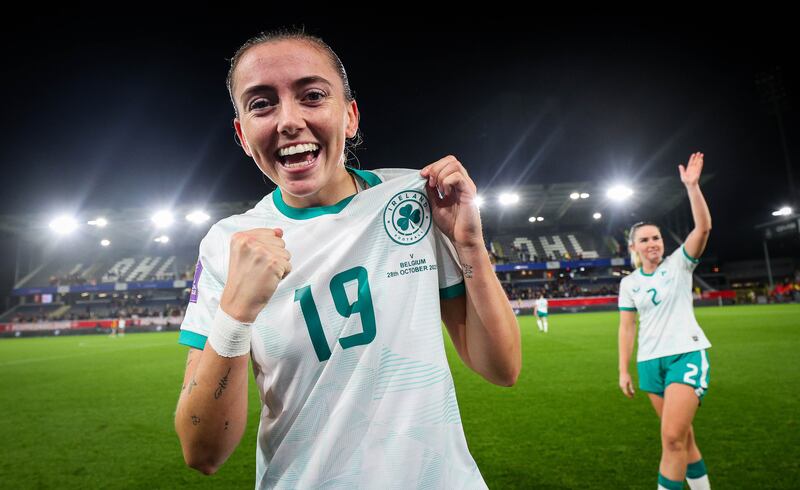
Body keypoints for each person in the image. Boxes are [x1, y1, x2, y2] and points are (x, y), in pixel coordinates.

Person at [173, 28, 521, 489]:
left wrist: (470, 246)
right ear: (242, 134)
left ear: (350, 116)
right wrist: (236, 313)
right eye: (261, 104)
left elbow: (501, 368)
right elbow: (203, 453)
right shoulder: (228, 243)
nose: (289, 121)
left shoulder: (414, 203)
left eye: (312, 96)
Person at [617, 152, 712, 490]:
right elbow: (627, 327)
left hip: (684, 355)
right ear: (634, 247)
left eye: (656, 237)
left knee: (671, 439)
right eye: (644, 240)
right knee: (683, 440)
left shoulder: (679, 264)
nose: (652, 243)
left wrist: (692, 187)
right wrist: (624, 369)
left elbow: (703, 228)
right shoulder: (629, 283)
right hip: (649, 363)